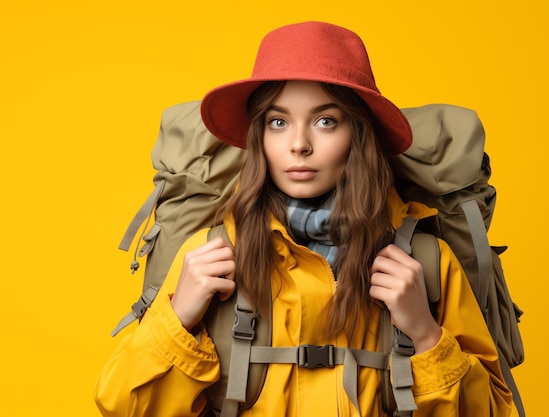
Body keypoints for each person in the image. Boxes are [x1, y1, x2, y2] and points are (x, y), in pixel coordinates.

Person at [94, 21, 518, 416]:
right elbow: (119, 404)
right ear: (259, 137)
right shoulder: (209, 256)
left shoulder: (425, 261)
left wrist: (425, 335)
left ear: (359, 135)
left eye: (325, 121)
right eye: (278, 122)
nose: (299, 144)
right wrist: (179, 319)